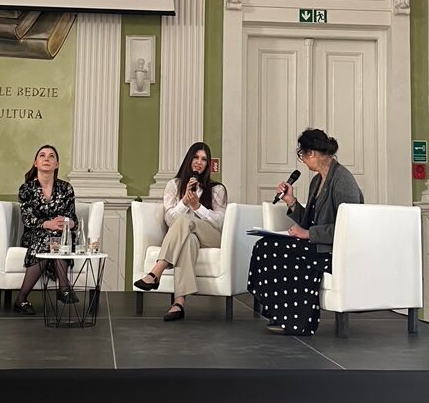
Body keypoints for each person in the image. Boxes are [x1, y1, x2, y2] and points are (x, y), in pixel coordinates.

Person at [247, 128, 364, 336]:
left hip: (332, 252)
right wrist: (291, 201)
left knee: (277, 251)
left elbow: (349, 228)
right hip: (317, 245)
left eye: (302, 155)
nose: (302, 160)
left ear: (312, 153)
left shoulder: (342, 180)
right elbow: (309, 222)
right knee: (264, 245)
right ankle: (281, 313)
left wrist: (309, 234)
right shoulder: (316, 181)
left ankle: (299, 321)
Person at [133, 141, 227, 321]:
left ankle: (157, 271)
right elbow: (169, 220)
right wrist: (184, 201)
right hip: (188, 236)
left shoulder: (217, 189)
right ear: (189, 159)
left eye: (204, 159)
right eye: (196, 157)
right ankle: (179, 303)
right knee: (188, 241)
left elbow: (220, 222)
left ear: (207, 164)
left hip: (212, 237)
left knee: (186, 220)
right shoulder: (174, 185)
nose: (199, 162)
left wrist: (198, 207)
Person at [13, 144, 79, 315]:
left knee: (56, 236)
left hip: (61, 235)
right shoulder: (26, 189)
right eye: (42, 155)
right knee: (49, 236)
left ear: (57, 164)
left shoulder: (66, 188)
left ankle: (21, 299)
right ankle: (64, 287)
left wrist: (68, 223)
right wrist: (47, 224)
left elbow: (73, 219)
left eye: (51, 156)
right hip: (34, 235)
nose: (47, 159)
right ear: (35, 163)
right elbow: (27, 219)